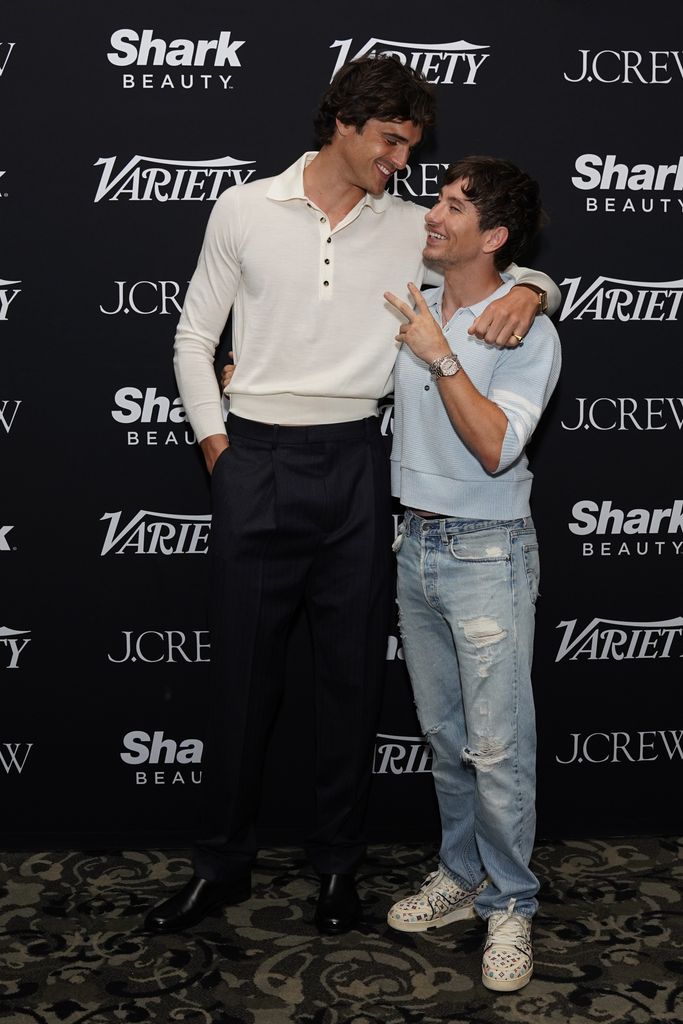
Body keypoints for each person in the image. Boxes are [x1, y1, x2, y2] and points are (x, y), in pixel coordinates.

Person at [144, 56, 559, 937]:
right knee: (240, 687)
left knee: (348, 688)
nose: (401, 160)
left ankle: (337, 870)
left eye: (411, 146)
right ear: (344, 123)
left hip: (357, 468)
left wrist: (534, 287)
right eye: (390, 140)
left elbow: (492, 257)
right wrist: (221, 448)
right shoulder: (244, 209)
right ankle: (220, 866)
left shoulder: (413, 223)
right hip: (254, 455)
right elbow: (191, 337)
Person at [383, 155, 561, 990]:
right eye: (438, 197)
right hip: (413, 546)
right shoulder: (413, 298)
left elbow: (494, 447)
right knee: (446, 741)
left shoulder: (523, 326)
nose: (433, 214)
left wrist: (440, 355)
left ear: (492, 236)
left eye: (455, 206)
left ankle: (511, 906)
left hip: (486, 553)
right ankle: (462, 877)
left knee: (497, 747)